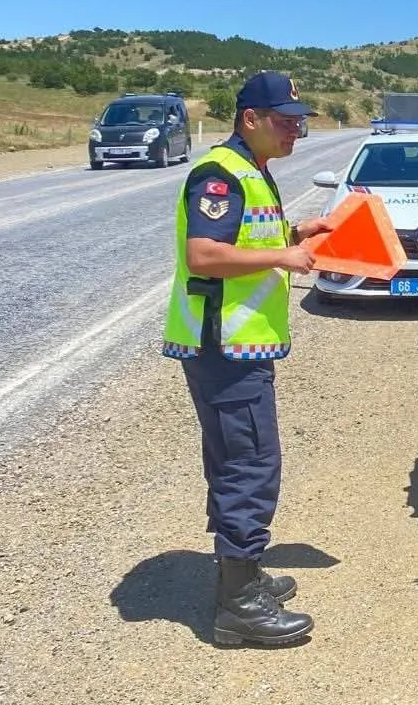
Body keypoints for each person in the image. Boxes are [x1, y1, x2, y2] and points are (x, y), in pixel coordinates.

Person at [162, 70, 330, 648]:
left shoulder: (251, 170)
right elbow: (205, 254)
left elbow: (244, 238)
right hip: (224, 348)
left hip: (238, 346)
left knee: (237, 458)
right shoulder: (219, 175)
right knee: (250, 464)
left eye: (299, 123)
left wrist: (296, 231)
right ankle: (237, 606)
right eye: (284, 122)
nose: (295, 132)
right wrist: (284, 256)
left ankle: (244, 573)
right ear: (250, 119)